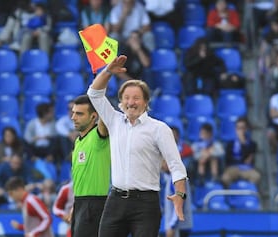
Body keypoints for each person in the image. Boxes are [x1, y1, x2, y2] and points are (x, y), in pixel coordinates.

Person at [87, 55, 188, 237]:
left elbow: (176, 165)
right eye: (126, 98)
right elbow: (94, 93)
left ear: (145, 102)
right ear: (120, 101)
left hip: (146, 204)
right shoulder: (114, 120)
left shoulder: (159, 129)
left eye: (136, 98)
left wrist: (180, 195)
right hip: (115, 200)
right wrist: (108, 71)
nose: (130, 102)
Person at [70, 94, 110, 237]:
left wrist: (98, 93)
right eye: (73, 113)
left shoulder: (99, 137)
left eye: (79, 114)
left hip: (95, 205)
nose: (73, 117)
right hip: (80, 203)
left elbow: (105, 118)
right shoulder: (78, 141)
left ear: (94, 116)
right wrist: (75, 206)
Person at [221, 117, 260, 188]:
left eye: (242, 128)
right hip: (232, 168)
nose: (240, 130)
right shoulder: (230, 144)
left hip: (247, 169)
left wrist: (242, 142)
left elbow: (247, 159)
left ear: (246, 129)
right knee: (225, 178)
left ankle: (247, 195)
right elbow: (228, 160)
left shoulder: (252, 144)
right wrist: (239, 161)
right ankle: (232, 196)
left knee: (256, 176)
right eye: (238, 128)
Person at [162, 160, 193, 237]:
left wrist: (171, 226)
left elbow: (179, 203)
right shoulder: (173, 177)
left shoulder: (177, 178)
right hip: (178, 225)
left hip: (178, 227)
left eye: (163, 162)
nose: (161, 165)